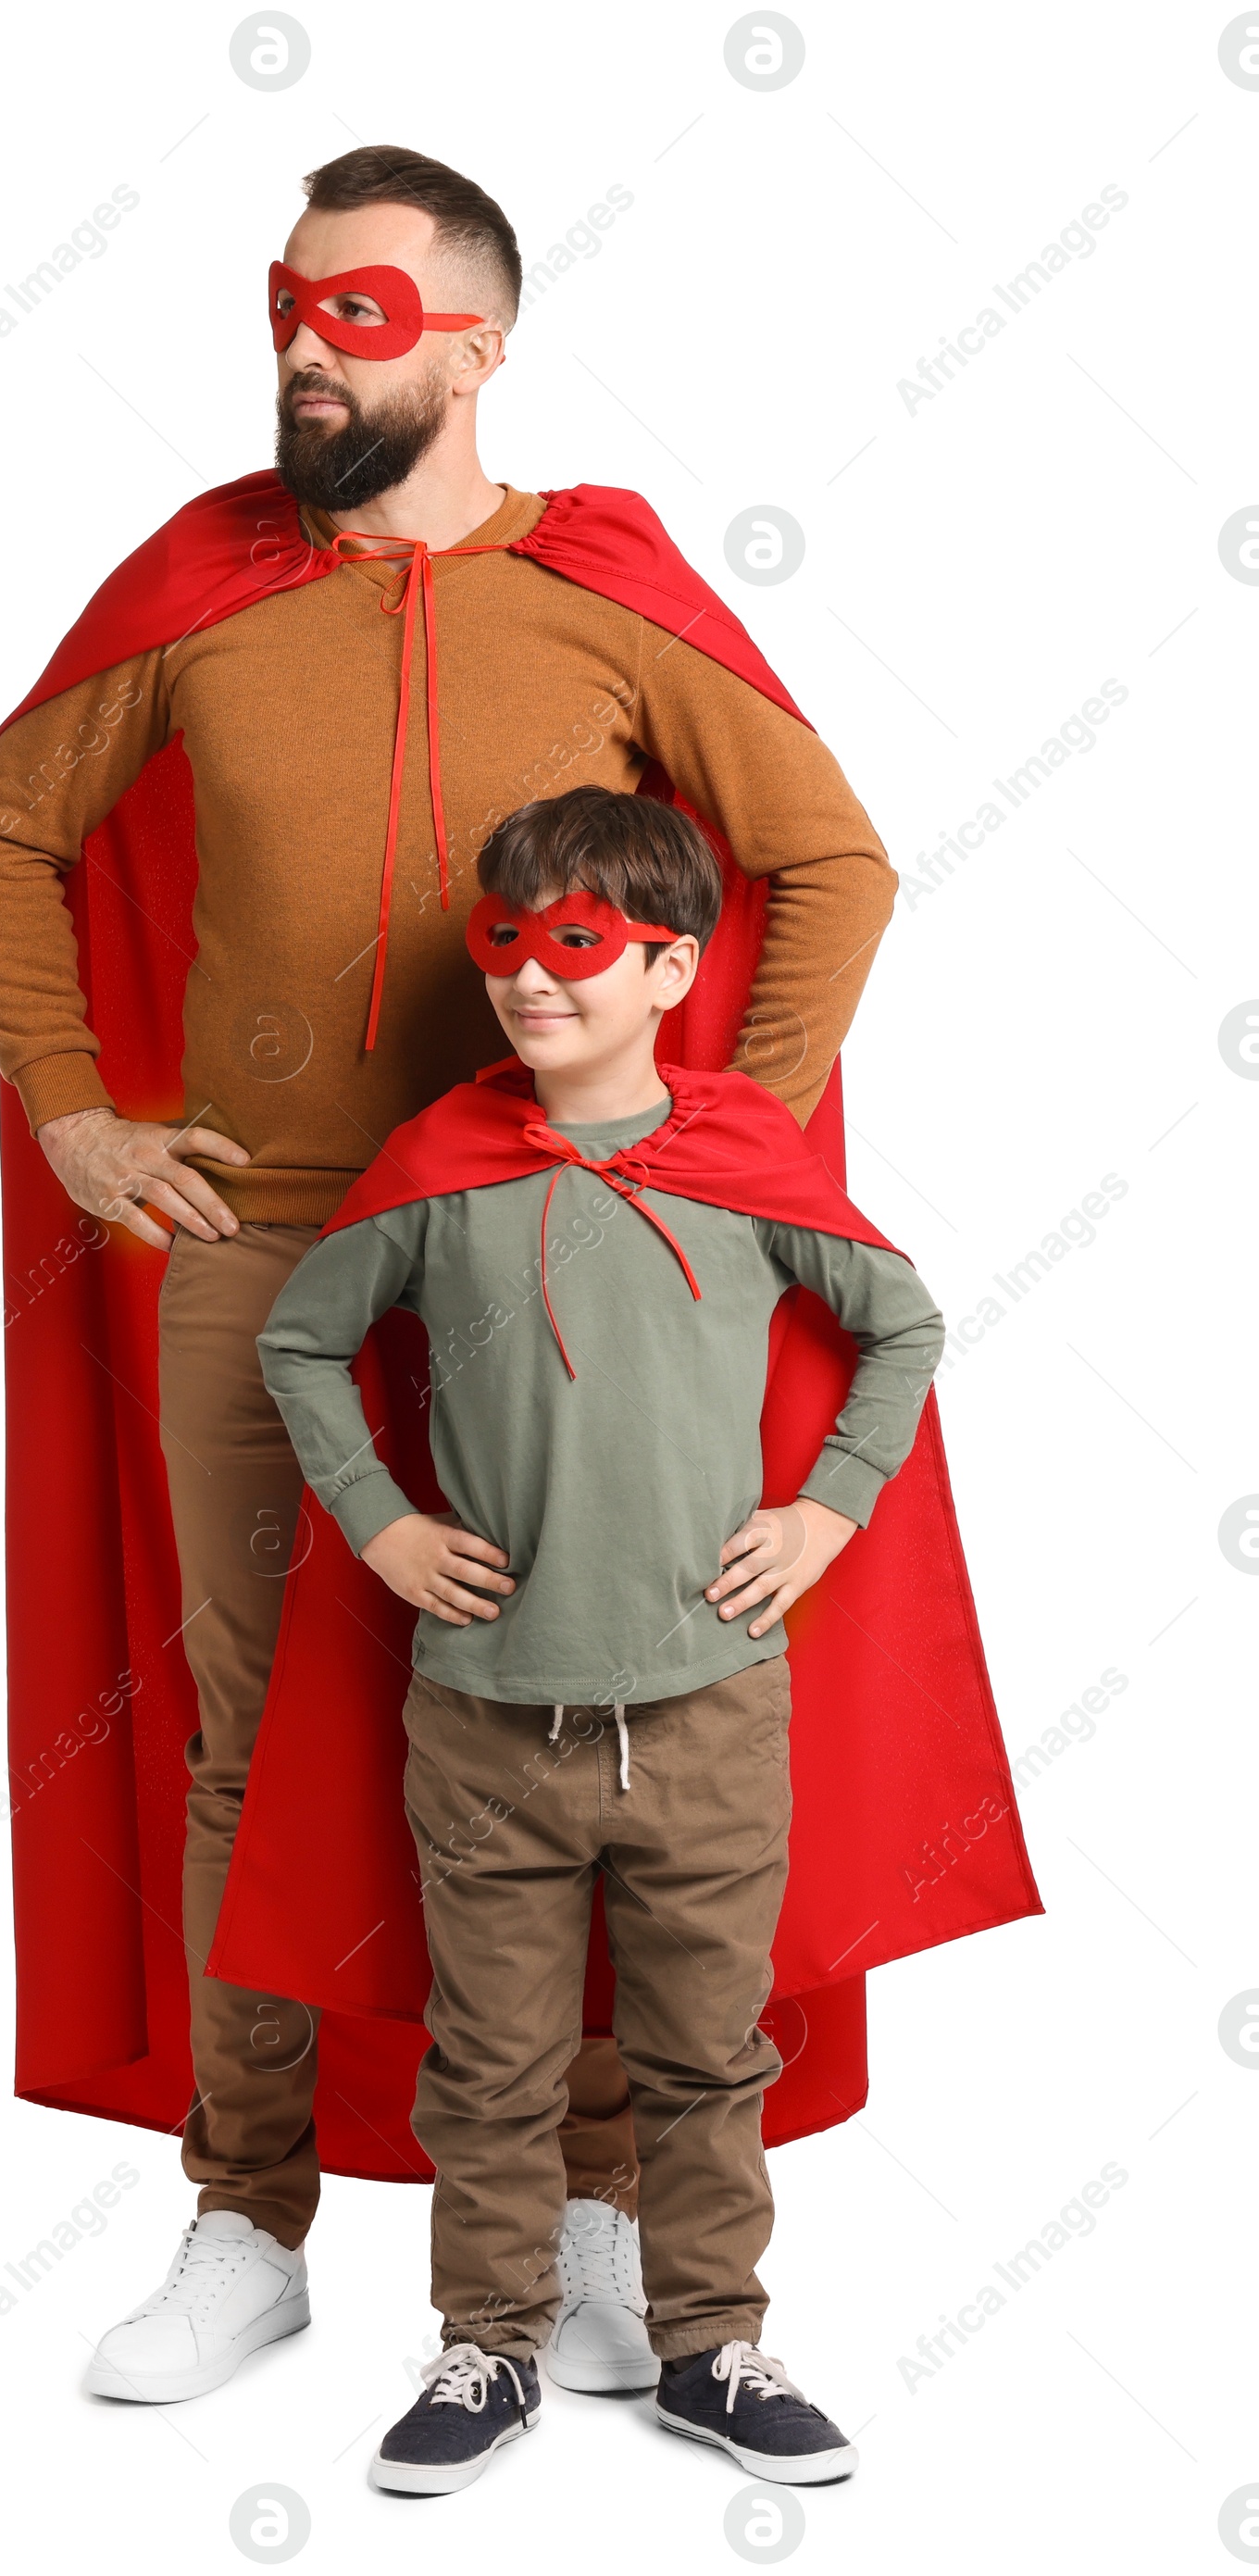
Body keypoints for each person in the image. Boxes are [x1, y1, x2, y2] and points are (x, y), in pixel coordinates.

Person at [0, 144, 900, 2404]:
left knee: (591, 1716)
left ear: (475, 342)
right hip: (252, 1230)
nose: (300, 342)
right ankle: (242, 2216)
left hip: (547, 1253)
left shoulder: (600, 590)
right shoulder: (198, 590)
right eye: (285, 301)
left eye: (356, 310)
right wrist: (74, 1097)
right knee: (245, 1736)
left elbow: (823, 854)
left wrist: (714, 1153)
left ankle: (577, 2219)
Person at [256, 786, 945, 2492]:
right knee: (489, 2058)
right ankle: (487, 2350)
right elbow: (297, 1342)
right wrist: (383, 1522)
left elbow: (899, 1316)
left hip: (712, 1707)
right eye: (506, 938)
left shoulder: (738, 1162)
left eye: (575, 942)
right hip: (492, 1713)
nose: (527, 975)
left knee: (709, 2050)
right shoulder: (439, 1171)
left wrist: (830, 1507)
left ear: (671, 965)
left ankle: (712, 2345)